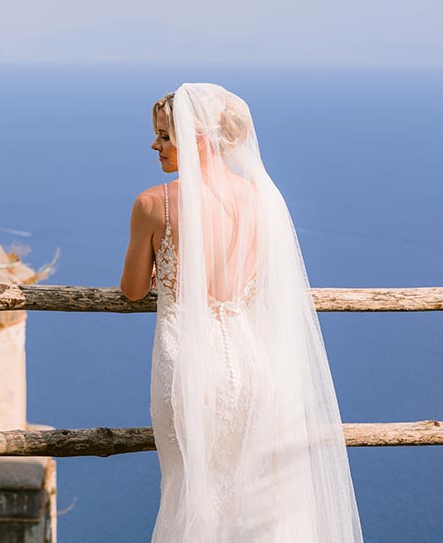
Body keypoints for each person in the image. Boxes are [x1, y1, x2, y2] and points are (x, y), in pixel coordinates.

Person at [120, 83, 363, 542]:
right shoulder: (261, 200)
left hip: (186, 362)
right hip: (251, 363)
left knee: (187, 489)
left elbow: (133, 290)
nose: (155, 145)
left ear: (197, 139)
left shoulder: (154, 204)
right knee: (252, 496)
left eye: (164, 136)